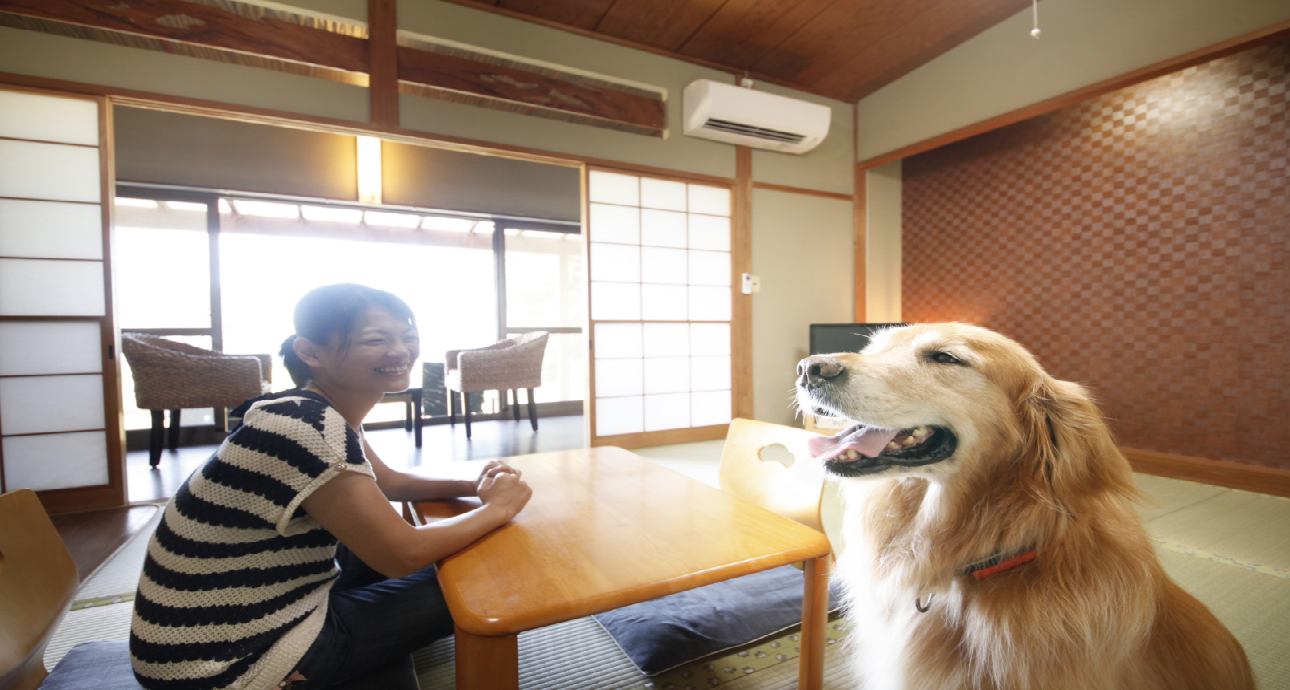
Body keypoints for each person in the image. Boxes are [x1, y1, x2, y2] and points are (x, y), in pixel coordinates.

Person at [129, 283, 532, 690]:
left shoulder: (311, 411)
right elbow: (401, 556)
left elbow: (388, 482)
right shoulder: (306, 429)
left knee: (436, 555)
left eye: (407, 337)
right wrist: (498, 509)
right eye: (376, 340)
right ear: (310, 352)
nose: (400, 351)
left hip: (234, 617)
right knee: (484, 578)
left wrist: (474, 484)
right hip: (223, 662)